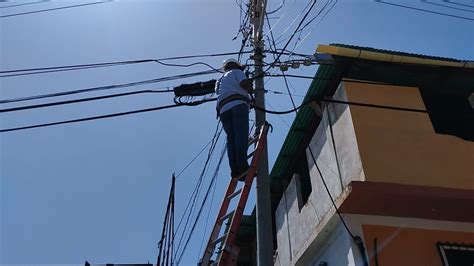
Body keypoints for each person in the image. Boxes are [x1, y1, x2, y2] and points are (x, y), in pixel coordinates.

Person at [215, 58, 254, 180]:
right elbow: (244, 84)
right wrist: (252, 92)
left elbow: (218, 92)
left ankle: (235, 171)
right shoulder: (237, 72)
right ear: (235, 65)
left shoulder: (220, 80)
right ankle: (243, 167)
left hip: (223, 110)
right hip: (237, 104)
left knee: (231, 141)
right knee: (241, 137)